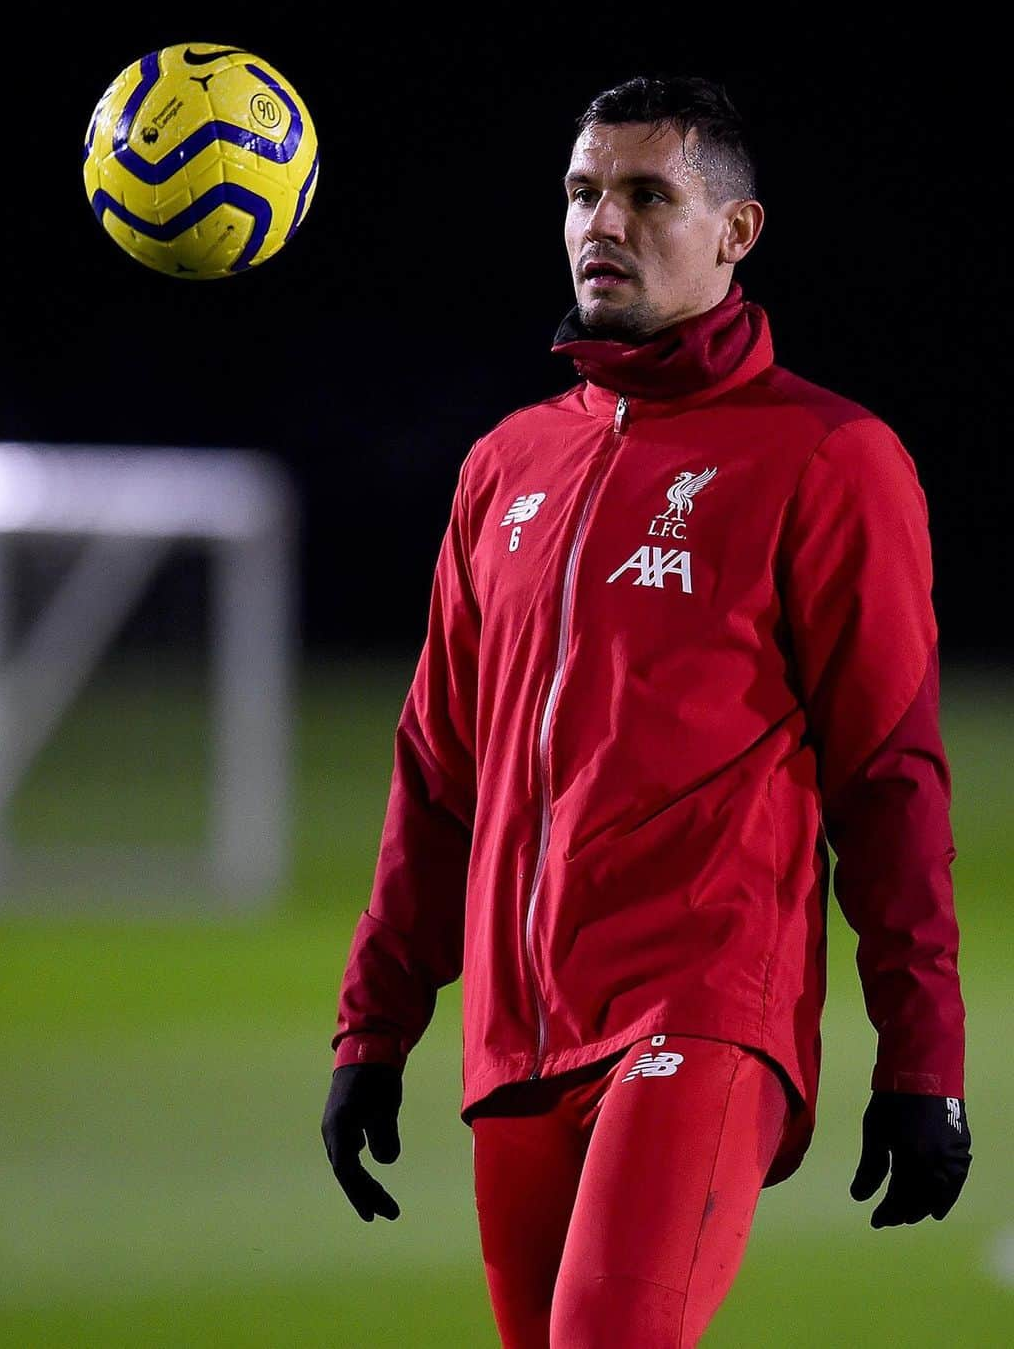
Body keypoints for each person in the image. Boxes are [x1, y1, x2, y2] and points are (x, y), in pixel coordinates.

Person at [320, 74, 972, 1347]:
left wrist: (921, 1059)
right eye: (580, 193)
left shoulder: (829, 458)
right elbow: (437, 776)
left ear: (738, 232)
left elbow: (891, 777)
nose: (599, 223)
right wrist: (375, 1024)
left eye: (645, 194)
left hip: (702, 1015)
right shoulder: (507, 466)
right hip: (519, 1041)